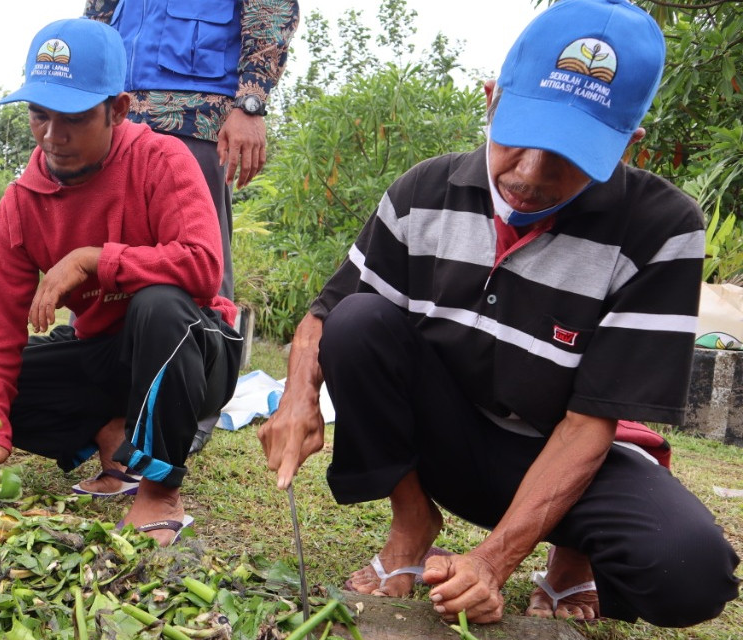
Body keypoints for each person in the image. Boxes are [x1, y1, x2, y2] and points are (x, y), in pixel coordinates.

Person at [259, 0, 739, 627]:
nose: (531, 176)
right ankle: (412, 525)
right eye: (520, 139)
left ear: (629, 145)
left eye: (571, 154)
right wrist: (298, 396)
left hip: (561, 453)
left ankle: (572, 557)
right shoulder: (421, 193)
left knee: (691, 573)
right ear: (490, 100)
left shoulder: (662, 229)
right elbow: (322, 318)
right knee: (356, 320)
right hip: (447, 440)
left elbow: (592, 419)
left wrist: (493, 560)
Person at [0, 18, 243, 546]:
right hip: (106, 351)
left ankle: (159, 492)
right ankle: (110, 433)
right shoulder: (19, 207)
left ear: (119, 109)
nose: (53, 137)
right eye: (40, 116)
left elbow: (202, 267)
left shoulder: (161, 159)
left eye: (76, 119)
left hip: (194, 349)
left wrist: (93, 260)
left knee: (159, 306)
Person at [85, 0, 300, 302]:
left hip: (196, 117)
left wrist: (251, 102)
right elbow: (96, 19)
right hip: (118, 116)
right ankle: (99, 348)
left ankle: (207, 348)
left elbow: (271, 8)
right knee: (105, 267)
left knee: (198, 263)